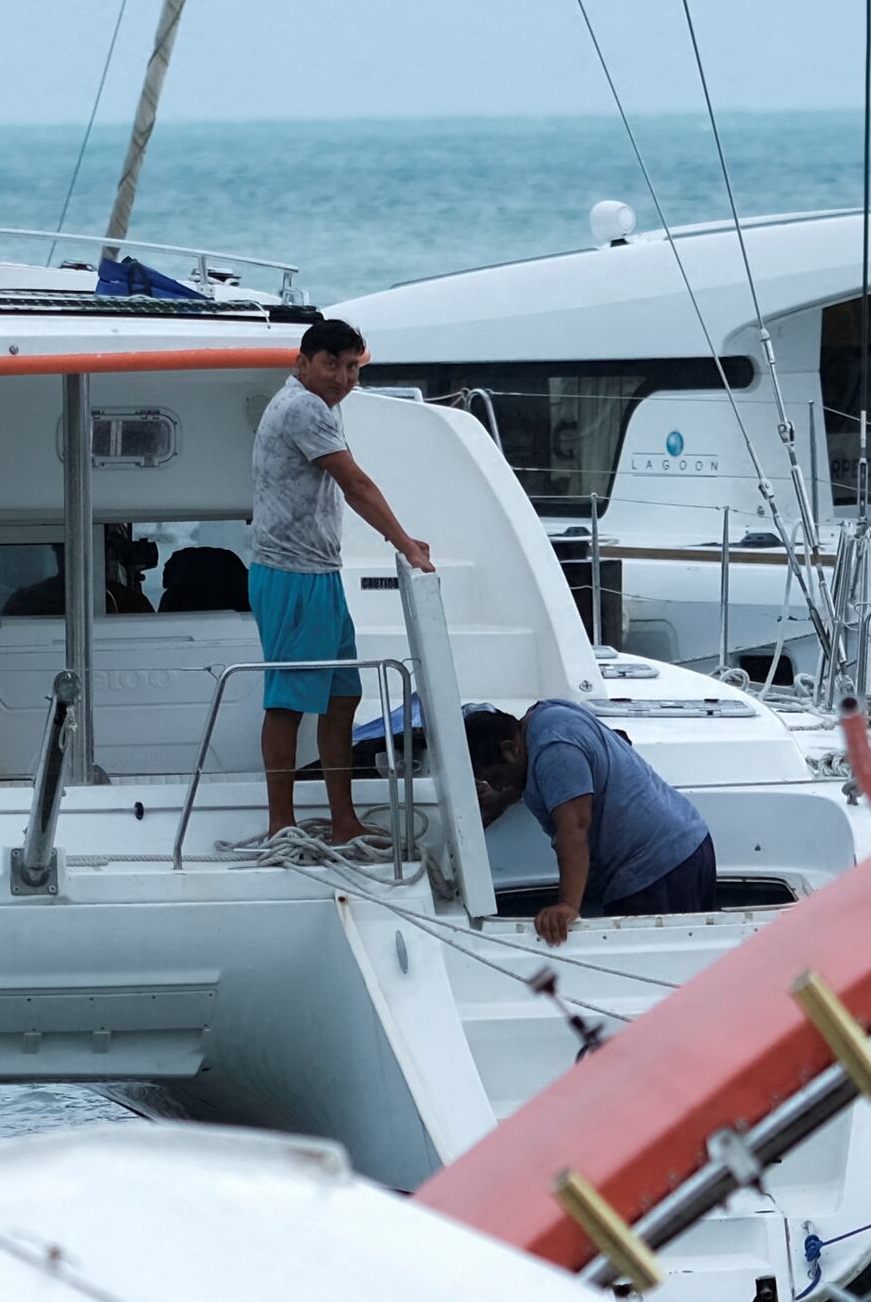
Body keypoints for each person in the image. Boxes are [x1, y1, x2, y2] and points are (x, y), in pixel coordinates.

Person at [246, 318, 433, 841]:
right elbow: (354, 484)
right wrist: (406, 544)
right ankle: (281, 823)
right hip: (290, 575)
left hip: (317, 573)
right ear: (303, 364)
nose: (344, 377)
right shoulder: (304, 406)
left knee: (341, 697)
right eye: (333, 364)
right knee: (286, 703)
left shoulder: (322, 406)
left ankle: (344, 820)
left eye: (353, 367)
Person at [464, 700, 716, 946]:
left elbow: (574, 828)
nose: (496, 786)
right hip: (690, 846)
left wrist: (568, 905)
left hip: (655, 871)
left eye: (496, 777)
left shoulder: (555, 749)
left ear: (510, 749)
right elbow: (549, 774)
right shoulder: (542, 717)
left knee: (658, 970)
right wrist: (503, 798)